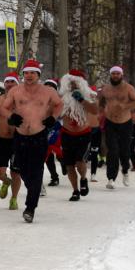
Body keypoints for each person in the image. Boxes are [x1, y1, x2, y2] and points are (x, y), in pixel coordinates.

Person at [1, 59, 63, 222]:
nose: (29, 75)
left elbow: (58, 105)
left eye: (32, 73)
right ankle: (33, 189)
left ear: (38, 75)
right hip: (20, 136)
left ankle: (30, 207)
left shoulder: (48, 92)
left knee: (36, 170)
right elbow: (5, 107)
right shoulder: (15, 91)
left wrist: (53, 118)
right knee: (22, 169)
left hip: (39, 135)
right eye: (26, 72)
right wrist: (11, 117)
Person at [58, 69, 98, 201]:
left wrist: (81, 100)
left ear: (81, 83)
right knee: (69, 165)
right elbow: (55, 112)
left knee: (80, 161)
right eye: (70, 81)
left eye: (75, 81)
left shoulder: (89, 95)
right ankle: (75, 190)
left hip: (83, 134)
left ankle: (83, 178)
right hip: (66, 134)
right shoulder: (62, 97)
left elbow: (95, 110)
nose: (72, 84)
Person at [98, 66, 135, 189]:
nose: (115, 76)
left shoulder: (128, 88)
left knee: (124, 150)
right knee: (112, 150)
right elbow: (101, 102)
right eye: (113, 74)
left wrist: (125, 106)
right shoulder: (106, 88)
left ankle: (125, 171)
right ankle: (111, 178)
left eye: (118, 73)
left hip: (125, 122)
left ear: (121, 75)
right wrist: (100, 112)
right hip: (110, 122)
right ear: (110, 75)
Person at [0, 71, 22, 209]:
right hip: (1, 140)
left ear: (17, 84)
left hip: (17, 141)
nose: (9, 84)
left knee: (16, 172)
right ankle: (6, 182)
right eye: (7, 82)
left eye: (12, 82)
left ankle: (14, 198)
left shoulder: (22, 102)